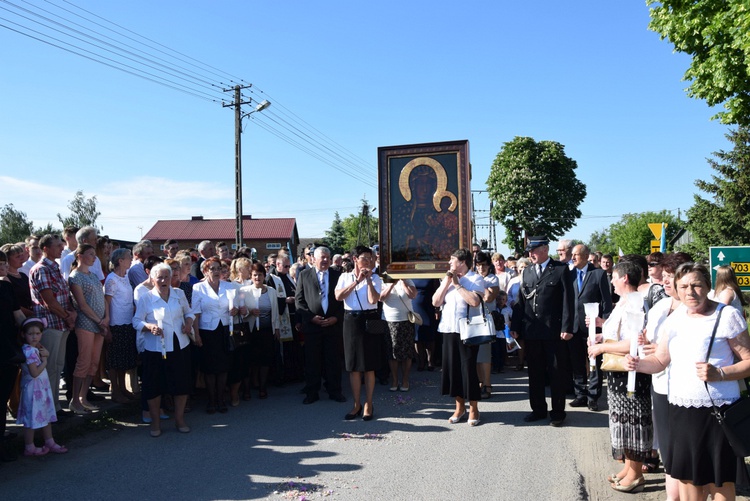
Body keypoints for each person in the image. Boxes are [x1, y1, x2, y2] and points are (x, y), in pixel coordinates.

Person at [627, 262, 750, 500]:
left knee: (720, 481)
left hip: (719, 412)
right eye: (683, 286)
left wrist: (721, 373)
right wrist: (638, 364)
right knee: (688, 480)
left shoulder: (726, 315)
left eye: (696, 285)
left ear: (707, 286)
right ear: (675, 288)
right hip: (682, 410)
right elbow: (661, 360)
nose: (690, 292)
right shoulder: (674, 319)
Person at [587, 260, 652, 493]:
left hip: (630, 371)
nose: (611, 281)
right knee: (620, 421)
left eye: (614, 277)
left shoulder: (635, 303)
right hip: (618, 372)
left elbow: (635, 341)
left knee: (633, 422)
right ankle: (628, 466)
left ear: (625, 278)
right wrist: (599, 335)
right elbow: (616, 333)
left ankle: (636, 473)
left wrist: (603, 348)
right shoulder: (623, 302)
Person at [640, 252, 692, 498]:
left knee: (687, 449)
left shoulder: (698, 308)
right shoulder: (660, 306)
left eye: (671, 276)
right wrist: (644, 343)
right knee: (669, 449)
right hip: (661, 383)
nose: (665, 280)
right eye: (665, 275)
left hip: (689, 388)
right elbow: (651, 341)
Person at [510, 236, 574, 427]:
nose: (530, 254)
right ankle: (538, 409)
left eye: (534, 251)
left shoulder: (560, 270)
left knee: (556, 373)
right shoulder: (527, 271)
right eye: (529, 251)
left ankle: (558, 412)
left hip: (554, 332)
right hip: (532, 332)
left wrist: (567, 327)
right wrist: (515, 326)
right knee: (535, 373)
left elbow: (568, 302)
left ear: (545, 250)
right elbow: (521, 302)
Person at [132, 263, 195, 437]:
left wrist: (188, 323)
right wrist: (149, 326)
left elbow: (189, 313)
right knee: (154, 385)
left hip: (179, 345)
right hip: (155, 348)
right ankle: (156, 424)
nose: (163, 280)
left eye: (166, 276)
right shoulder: (146, 298)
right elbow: (136, 321)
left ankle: (179, 419)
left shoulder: (179, 294)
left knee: (181, 383)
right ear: (152, 279)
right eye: (159, 277)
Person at [433, 248, 485, 426]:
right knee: (452, 369)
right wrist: (447, 281)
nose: (449, 263)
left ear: (462, 262)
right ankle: (459, 406)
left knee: (468, 368)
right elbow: (436, 302)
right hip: (448, 329)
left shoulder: (475, 278)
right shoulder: (446, 278)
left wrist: (457, 284)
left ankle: (474, 408)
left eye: (452, 260)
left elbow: (475, 301)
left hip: (468, 331)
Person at [29, 234, 77, 412]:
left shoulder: (54, 267)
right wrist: (68, 316)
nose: (61, 248)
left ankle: (55, 407)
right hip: (50, 324)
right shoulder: (41, 269)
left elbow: (64, 296)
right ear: (45, 249)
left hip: (62, 323)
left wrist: (70, 314)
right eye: (57, 246)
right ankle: (47, 410)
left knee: (57, 367)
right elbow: (49, 301)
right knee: (49, 369)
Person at [335, 245, 382, 421]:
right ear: (355, 259)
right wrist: (356, 281)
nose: (369, 261)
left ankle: (369, 403)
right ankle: (356, 404)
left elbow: (372, 299)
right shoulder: (344, 277)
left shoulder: (376, 278)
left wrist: (368, 280)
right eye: (365, 258)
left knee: (369, 365)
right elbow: (338, 297)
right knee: (353, 366)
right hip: (351, 321)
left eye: (371, 258)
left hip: (370, 319)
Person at [295, 246, 346, 405]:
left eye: (327, 257)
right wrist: (311, 318)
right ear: (313, 259)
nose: (325, 260)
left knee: (333, 360)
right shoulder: (304, 275)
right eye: (322, 257)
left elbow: (345, 301)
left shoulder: (339, 276)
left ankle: (334, 390)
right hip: (313, 327)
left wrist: (336, 318)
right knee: (312, 361)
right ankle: (312, 392)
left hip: (333, 326)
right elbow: (299, 301)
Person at [192, 257, 240, 412]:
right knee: (209, 368)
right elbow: (196, 313)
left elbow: (236, 306)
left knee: (223, 367)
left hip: (225, 329)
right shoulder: (198, 288)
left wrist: (235, 309)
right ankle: (212, 400)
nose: (216, 271)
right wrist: (197, 335)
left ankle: (221, 399)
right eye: (212, 268)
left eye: (218, 268)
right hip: (207, 331)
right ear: (205, 271)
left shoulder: (229, 286)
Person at [568, 244, 612, 412]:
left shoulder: (598, 274)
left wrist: (604, 321)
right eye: (572, 254)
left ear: (586, 256)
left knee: (594, 362)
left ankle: (593, 396)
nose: (572, 258)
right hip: (574, 326)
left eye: (576, 255)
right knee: (577, 362)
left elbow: (606, 301)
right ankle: (580, 394)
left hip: (593, 327)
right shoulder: (570, 274)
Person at [17, 318, 68, 456]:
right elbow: (34, 372)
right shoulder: (29, 351)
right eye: (30, 334)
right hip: (33, 390)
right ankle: (29, 446)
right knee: (31, 418)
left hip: (41, 388)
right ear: (23, 335)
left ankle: (49, 441)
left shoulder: (36, 349)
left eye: (37, 333)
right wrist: (45, 360)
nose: (34, 336)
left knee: (45, 414)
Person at [67, 244, 109, 414]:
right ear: (80, 256)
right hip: (86, 324)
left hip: (99, 324)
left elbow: (103, 298)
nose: (94, 257)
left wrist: (106, 319)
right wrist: (99, 320)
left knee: (94, 362)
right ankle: (74, 400)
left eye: (94, 254)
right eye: (91, 254)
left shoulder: (92, 275)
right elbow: (82, 305)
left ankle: (84, 398)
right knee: (83, 361)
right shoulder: (75, 277)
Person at [238, 262, 279, 400]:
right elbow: (241, 313)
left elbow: (275, 312)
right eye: (255, 275)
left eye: (260, 275)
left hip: (267, 331)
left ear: (264, 276)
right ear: (251, 276)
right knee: (249, 361)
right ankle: (247, 389)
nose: (257, 277)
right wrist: (250, 312)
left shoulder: (271, 291)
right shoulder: (245, 291)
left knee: (265, 360)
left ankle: (263, 387)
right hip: (250, 331)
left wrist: (277, 328)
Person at [0, 250, 25, 462]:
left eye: (3, 265)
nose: (2, 269)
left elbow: (17, 314)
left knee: (2, 396)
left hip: (7, 348)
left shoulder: (6, 286)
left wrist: (32, 332)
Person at [104, 248, 138, 404]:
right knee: (115, 359)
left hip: (128, 321)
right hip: (116, 323)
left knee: (124, 358)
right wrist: (107, 324)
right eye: (128, 257)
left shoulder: (125, 277)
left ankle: (123, 388)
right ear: (120, 261)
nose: (131, 259)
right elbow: (107, 302)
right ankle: (115, 390)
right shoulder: (111, 279)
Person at [380, 279, 417, 391]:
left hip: (406, 320)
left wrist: (404, 282)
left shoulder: (409, 281)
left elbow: (413, 295)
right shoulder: (384, 281)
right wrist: (392, 284)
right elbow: (381, 298)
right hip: (389, 320)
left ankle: (405, 379)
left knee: (407, 352)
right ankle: (395, 380)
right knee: (392, 352)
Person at [474, 251, 499, 398]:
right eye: (478, 265)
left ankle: (487, 384)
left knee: (484, 354)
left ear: (489, 265)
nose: (481, 268)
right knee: (475, 354)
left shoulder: (492, 279)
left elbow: (489, 297)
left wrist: (478, 283)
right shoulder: (475, 277)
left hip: (486, 319)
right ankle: (480, 382)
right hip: (473, 319)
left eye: (483, 265)